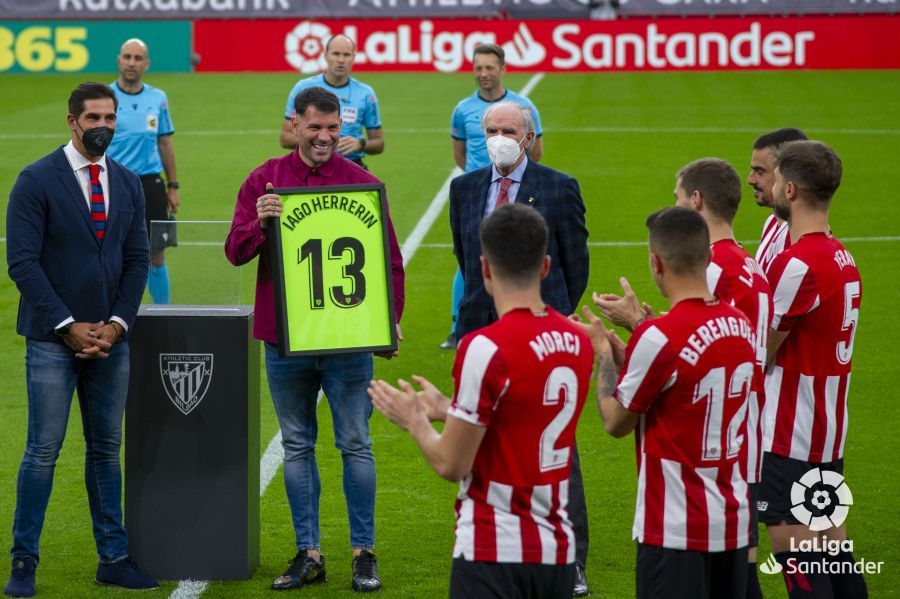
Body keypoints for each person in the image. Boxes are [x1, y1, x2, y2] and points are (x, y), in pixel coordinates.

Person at [226, 86, 405, 593]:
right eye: (315, 128)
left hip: (348, 339)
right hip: (284, 340)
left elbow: (389, 260)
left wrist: (389, 319)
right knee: (298, 445)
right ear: (296, 126)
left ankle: (362, 553)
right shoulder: (265, 180)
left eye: (333, 129)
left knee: (356, 444)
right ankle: (309, 552)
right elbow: (235, 252)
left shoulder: (363, 182)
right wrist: (260, 223)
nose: (325, 137)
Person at [369, 204, 593, 598]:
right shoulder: (577, 340)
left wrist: (416, 421)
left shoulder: (483, 347)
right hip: (557, 550)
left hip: (493, 549)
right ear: (545, 267)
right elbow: (523, 412)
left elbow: (451, 464)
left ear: (485, 270)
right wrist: (448, 409)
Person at [4, 82, 155, 597]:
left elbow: (138, 261)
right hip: (52, 341)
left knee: (106, 451)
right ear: (72, 121)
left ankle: (113, 557)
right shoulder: (35, 180)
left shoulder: (129, 182)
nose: (103, 127)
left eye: (110, 118)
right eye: (93, 118)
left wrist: (117, 324)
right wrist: (67, 326)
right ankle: (24, 562)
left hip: (111, 341)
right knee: (42, 451)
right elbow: (21, 263)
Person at [449, 100, 592, 597]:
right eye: (490, 130)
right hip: (480, 326)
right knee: (481, 436)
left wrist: (550, 314)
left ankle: (570, 558)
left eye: (508, 129)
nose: (498, 137)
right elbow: (466, 258)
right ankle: (484, 534)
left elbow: (575, 263)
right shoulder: (465, 189)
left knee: (555, 448)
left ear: (528, 137)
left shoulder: (557, 186)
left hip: (538, 330)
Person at [584, 206, 755, 599]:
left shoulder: (661, 336)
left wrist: (604, 356)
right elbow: (684, 386)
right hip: (732, 524)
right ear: (708, 257)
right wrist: (633, 353)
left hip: (675, 530)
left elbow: (615, 421)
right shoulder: (740, 326)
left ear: (655, 263)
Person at [761, 140, 867, 598]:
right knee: (833, 550)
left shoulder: (798, 263)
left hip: (789, 434)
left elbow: (761, 350)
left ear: (789, 189)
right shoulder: (844, 258)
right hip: (826, 430)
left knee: (799, 563)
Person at [671, 158, 773, 599]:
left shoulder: (714, 269)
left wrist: (637, 325)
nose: (674, 207)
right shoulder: (749, 265)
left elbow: (697, 352)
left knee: (729, 573)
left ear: (696, 201)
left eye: (677, 199)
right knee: (739, 563)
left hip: (722, 442)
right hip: (745, 427)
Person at [441, 42, 544, 350]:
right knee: (469, 260)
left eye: (489, 67)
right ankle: (458, 325)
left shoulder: (524, 107)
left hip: (515, 191)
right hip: (480, 195)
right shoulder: (462, 110)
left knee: (520, 256)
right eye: (478, 68)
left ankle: (524, 317)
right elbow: (459, 154)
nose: (483, 74)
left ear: (503, 69)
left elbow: (536, 152)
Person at [106, 38, 180, 304]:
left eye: (138, 58)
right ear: (118, 60)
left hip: (151, 186)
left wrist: (173, 186)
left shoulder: (157, 98)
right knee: (111, 252)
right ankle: (114, 313)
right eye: (127, 57)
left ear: (146, 64)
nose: (131, 63)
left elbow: (165, 142)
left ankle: (165, 314)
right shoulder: (105, 97)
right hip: (112, 184)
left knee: (157, 254)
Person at [279, 34, 383, 169]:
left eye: (346, 55)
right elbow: (285, 138)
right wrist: (318, 143)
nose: (341, 60)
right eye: (336, 54)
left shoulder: (366, 94)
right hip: (310, 166)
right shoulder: (302, 88)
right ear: (325, 55)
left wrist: (361, 143)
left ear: (353, 58)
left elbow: (378, 143)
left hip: (350, 166)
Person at [746, 127, 807, 274]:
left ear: (785, 175)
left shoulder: (797, 237)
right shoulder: (773, 221)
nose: (750, 180)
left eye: (760, 172)